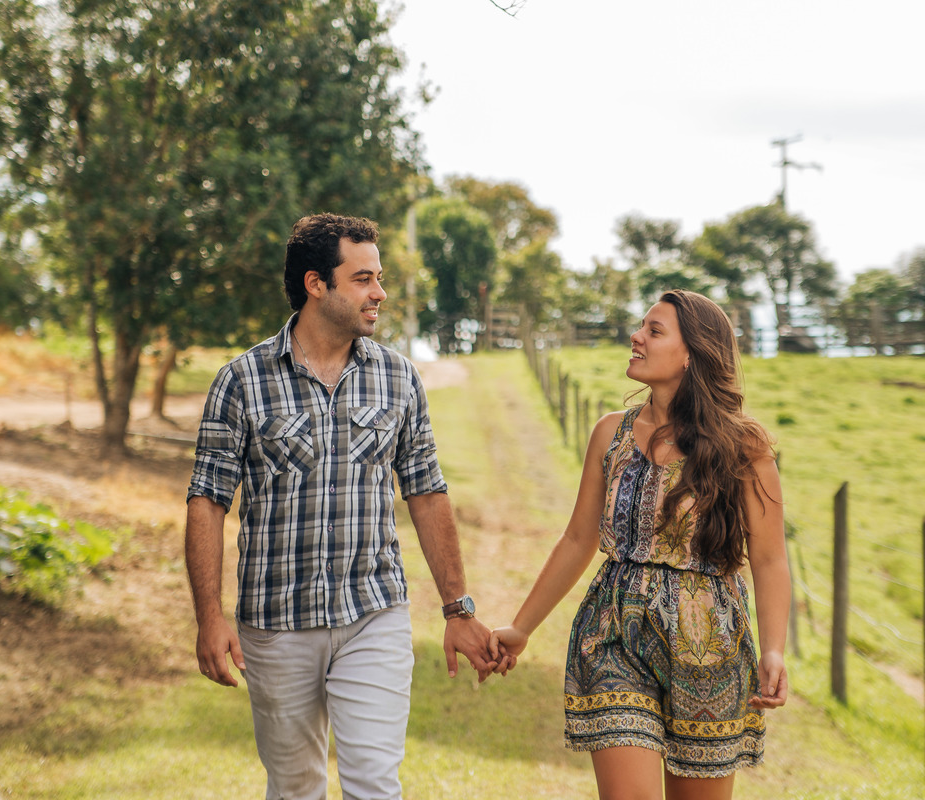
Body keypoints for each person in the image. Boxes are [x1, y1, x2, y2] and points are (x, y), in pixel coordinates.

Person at [185, 212, 501, 799]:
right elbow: (207, 501)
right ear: (316, 284)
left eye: (379, 278)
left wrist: (458, 609)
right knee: (295, 787)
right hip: (276, 621)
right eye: (363, 279)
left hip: (373, 612)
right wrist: (209, 616)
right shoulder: (241, 381)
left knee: (375, 785)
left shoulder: (399, 379)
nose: (379, 293)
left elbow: (426, 492)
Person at [491, 290, 791, 800]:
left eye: (654, 330)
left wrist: (775, 649)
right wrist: (521, 628)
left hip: (709, 648)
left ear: (692, 353)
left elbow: (768, 558)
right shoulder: (610, 433)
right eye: (641, 327)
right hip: (614, 634)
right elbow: (578, 538)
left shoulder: (744, 447)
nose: (636, 337)